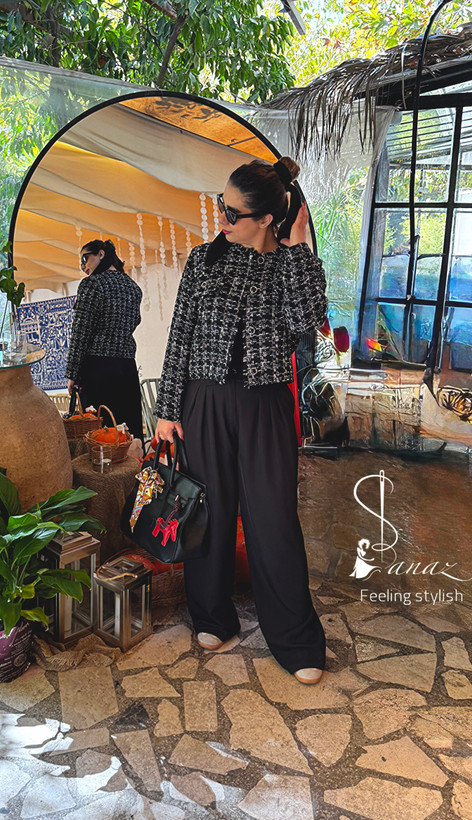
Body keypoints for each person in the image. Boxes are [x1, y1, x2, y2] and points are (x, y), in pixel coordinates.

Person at [154, 157, 327, 684]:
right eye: (220, 205)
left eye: (232, 212)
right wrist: (166, 410)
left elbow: (307, 323)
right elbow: (180, 337)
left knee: (273, 519)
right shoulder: (204, 260)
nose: (221, 219)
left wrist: (299, 247)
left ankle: (295, 640)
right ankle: (212, 617)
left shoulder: (291, 265)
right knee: (207, 510)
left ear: (267, 219)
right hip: (203, 401)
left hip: (264, 405)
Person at [65, 238, 144, 443]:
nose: (83, 266)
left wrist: (72, 373)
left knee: (101, 434)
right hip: (127, 367)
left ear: (101, 254)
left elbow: (81, 331)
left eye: (85, 259)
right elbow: (135, 322)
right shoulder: (133, 288)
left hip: (98, 369)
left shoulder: (91, 284)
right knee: (128, 431)